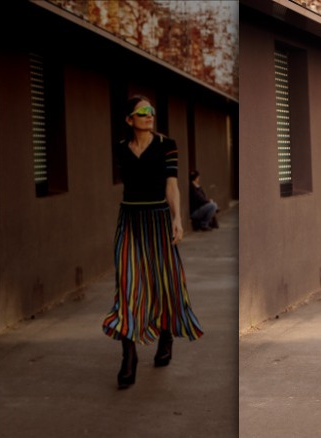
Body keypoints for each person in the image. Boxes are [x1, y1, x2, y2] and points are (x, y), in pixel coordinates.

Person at [102, 96, 203, 389]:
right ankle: (128, 355)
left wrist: (177, 219)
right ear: (129, 119)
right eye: (142, 112)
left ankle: (166, 336)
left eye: (152, 112)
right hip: (130, 221)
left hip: (158, 220)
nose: (149, 116)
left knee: (164, 281)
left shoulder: (166, 145)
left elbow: (171, 184)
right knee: (128, 284)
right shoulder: (121, 149)